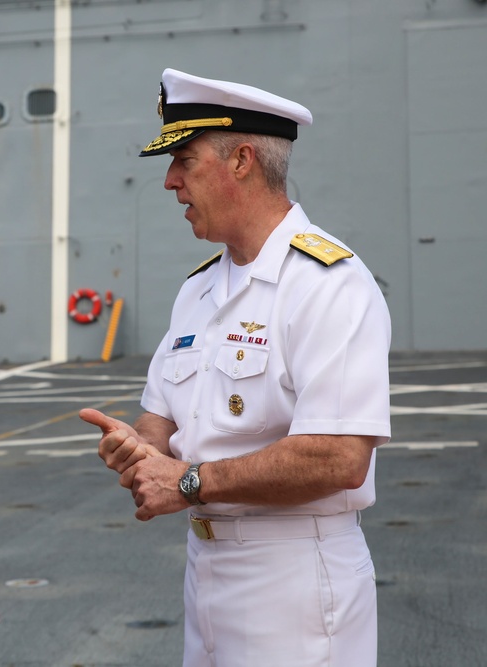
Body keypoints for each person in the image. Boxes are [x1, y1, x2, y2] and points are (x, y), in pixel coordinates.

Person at [80, 68, 391, 667]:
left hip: (295, 578)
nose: (170, 181)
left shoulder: (329, 284)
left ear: (242, 159)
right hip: (207, 571)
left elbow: (340, 457)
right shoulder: (199, 290)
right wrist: (138, 449)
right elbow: (160, 419)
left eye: (184, 160)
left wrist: (188, 481)